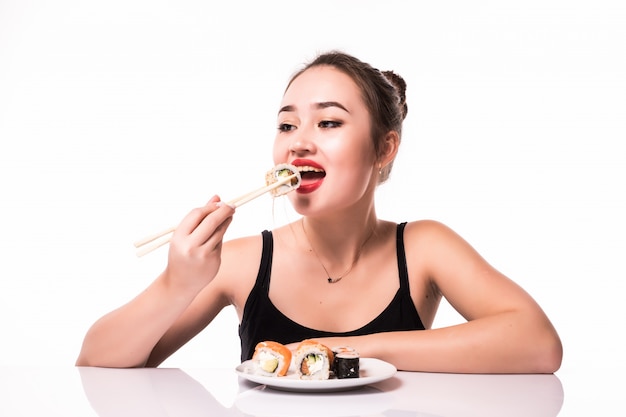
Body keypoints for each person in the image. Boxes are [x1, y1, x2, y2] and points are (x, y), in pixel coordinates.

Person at [76, 51, 562, 373]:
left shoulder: (423, 247)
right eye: (286, 125)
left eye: (329, 121)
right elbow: (95, 364)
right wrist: (176, 282)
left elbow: (539, 345)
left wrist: (343, 350)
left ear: (384, 148)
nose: (299, 141)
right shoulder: (243, 262)